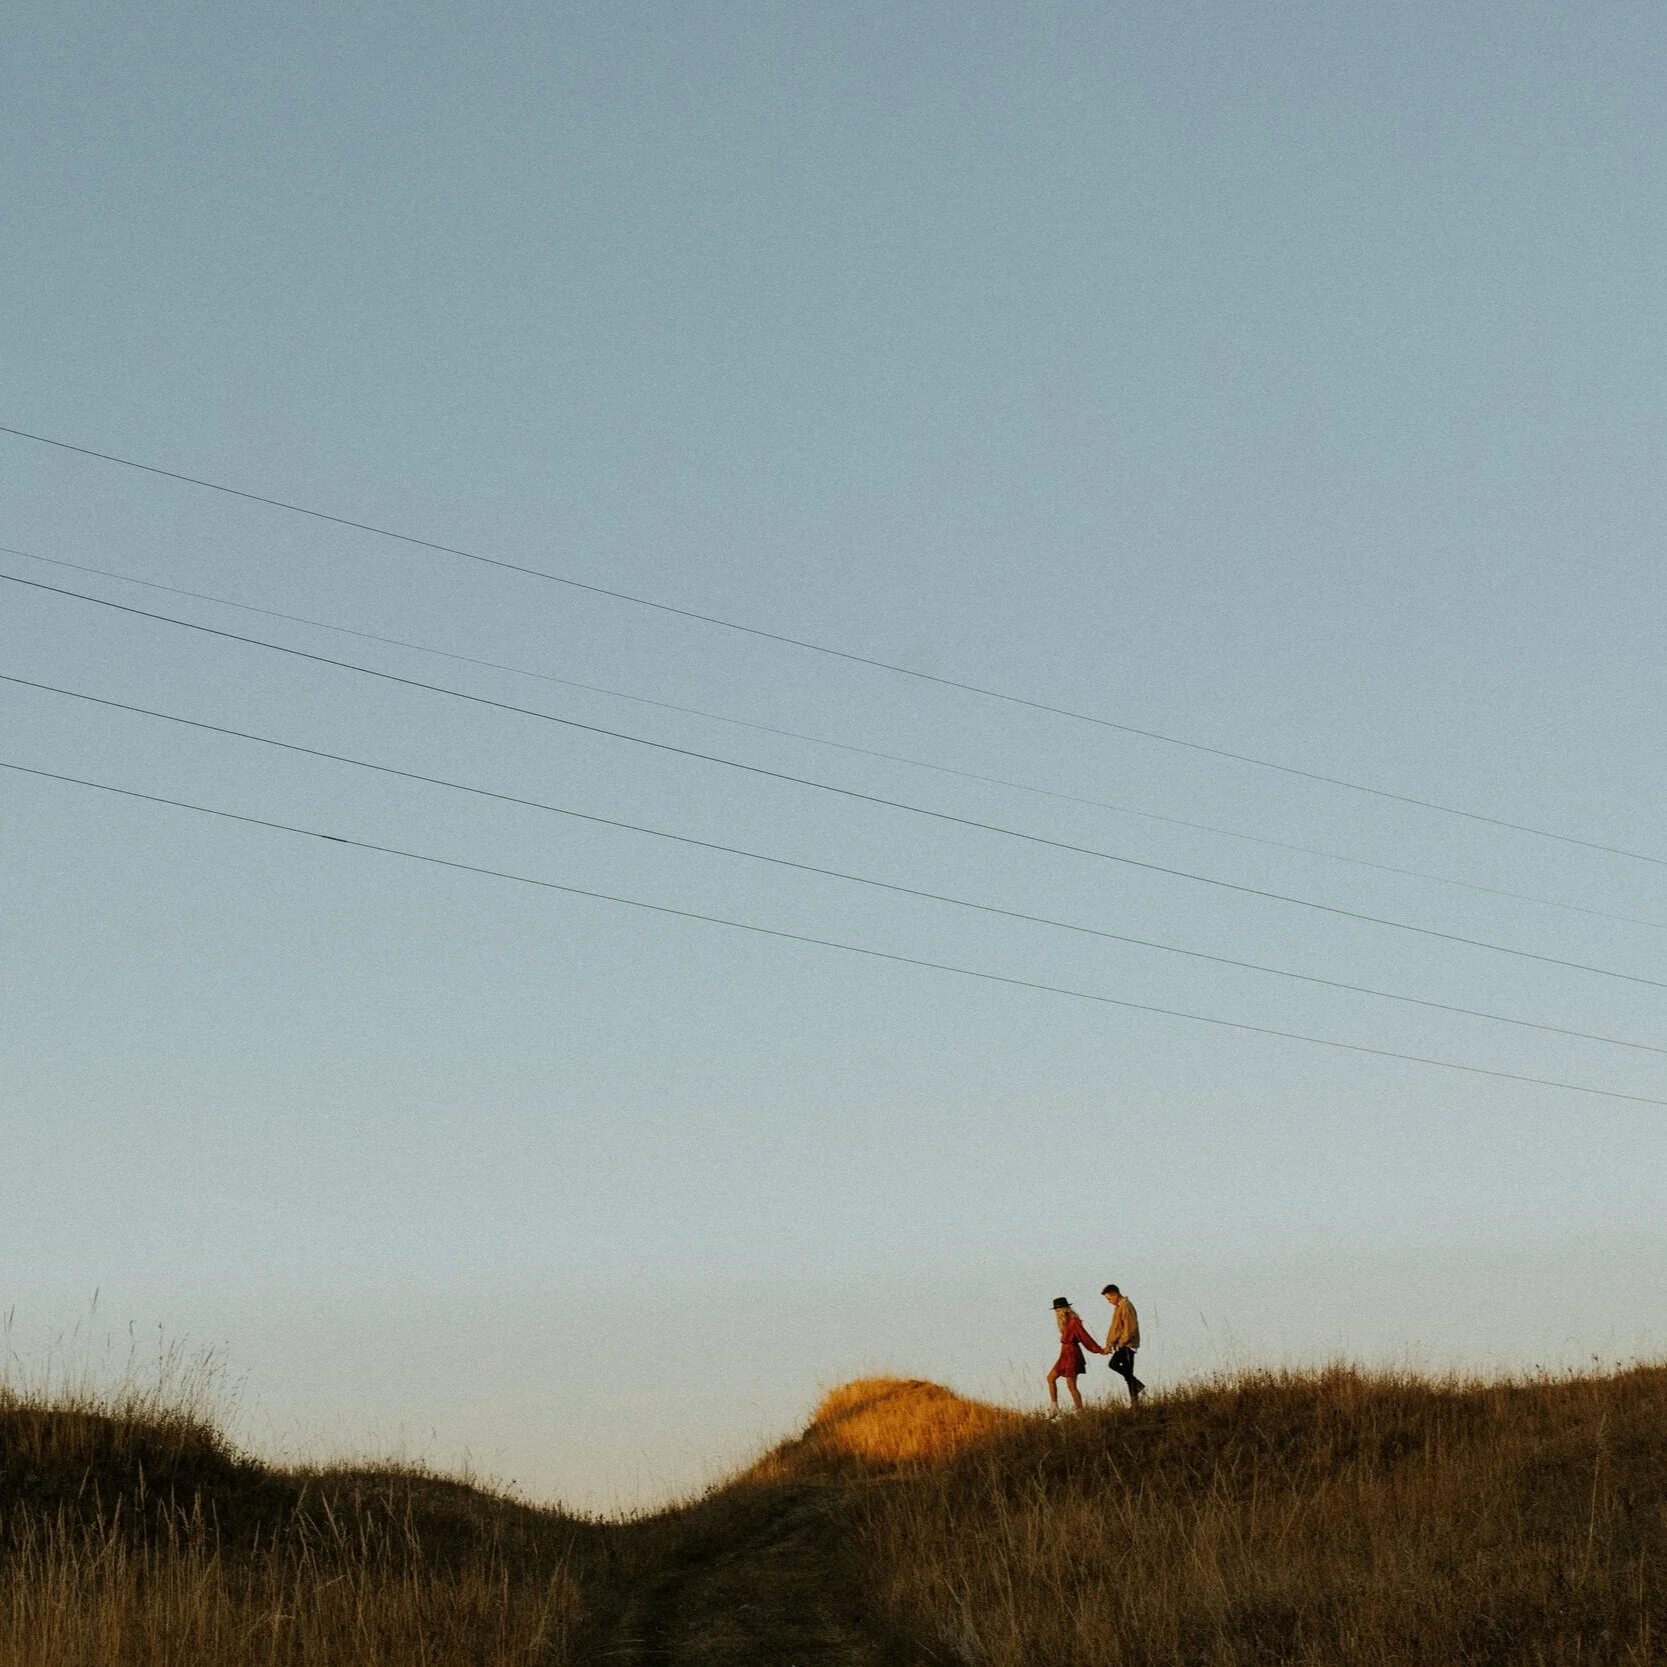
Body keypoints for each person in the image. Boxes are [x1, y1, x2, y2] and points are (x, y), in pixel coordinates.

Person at [1046, 1297, 1105, 1411]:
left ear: (1064, 1309)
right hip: (1064, 1353)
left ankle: (1079, 1410)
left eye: (1058, 1310)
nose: (1057, 1313)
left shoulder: (1073, 1321)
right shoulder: (1065, 1322)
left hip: (1072, 1353)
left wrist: (1097, 1349)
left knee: (1071, 1385)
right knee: (1050, 1378)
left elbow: (1084, 1337)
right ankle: (1054, 1406)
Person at [1101, 1283, 1144, 1404]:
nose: (1109, 1302)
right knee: (1127, 1373)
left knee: (1116, 1366)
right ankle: (1135, 1400)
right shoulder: (1119, 1307)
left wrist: (1123, 1341)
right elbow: (1115, 1328)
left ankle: (1136, 1390)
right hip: (1123, 1344)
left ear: (1115, 1294)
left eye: (1109, 1298)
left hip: (1128, 1345)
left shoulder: (1125, 1306)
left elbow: (1131, 1326)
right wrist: (1109, 1345)